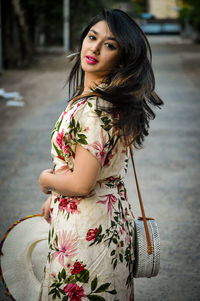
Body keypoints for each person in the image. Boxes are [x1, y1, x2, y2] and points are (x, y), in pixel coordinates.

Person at [38, 8, 163, 301]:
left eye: (109, 45)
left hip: (87, 234)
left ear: (122, 57)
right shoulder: (107, 100)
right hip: (106, 221)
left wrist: (46, 179)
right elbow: (97, 168)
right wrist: (56, 194)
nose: (94, 48)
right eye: (92, 37)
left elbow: (82, 183)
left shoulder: (94, 108)